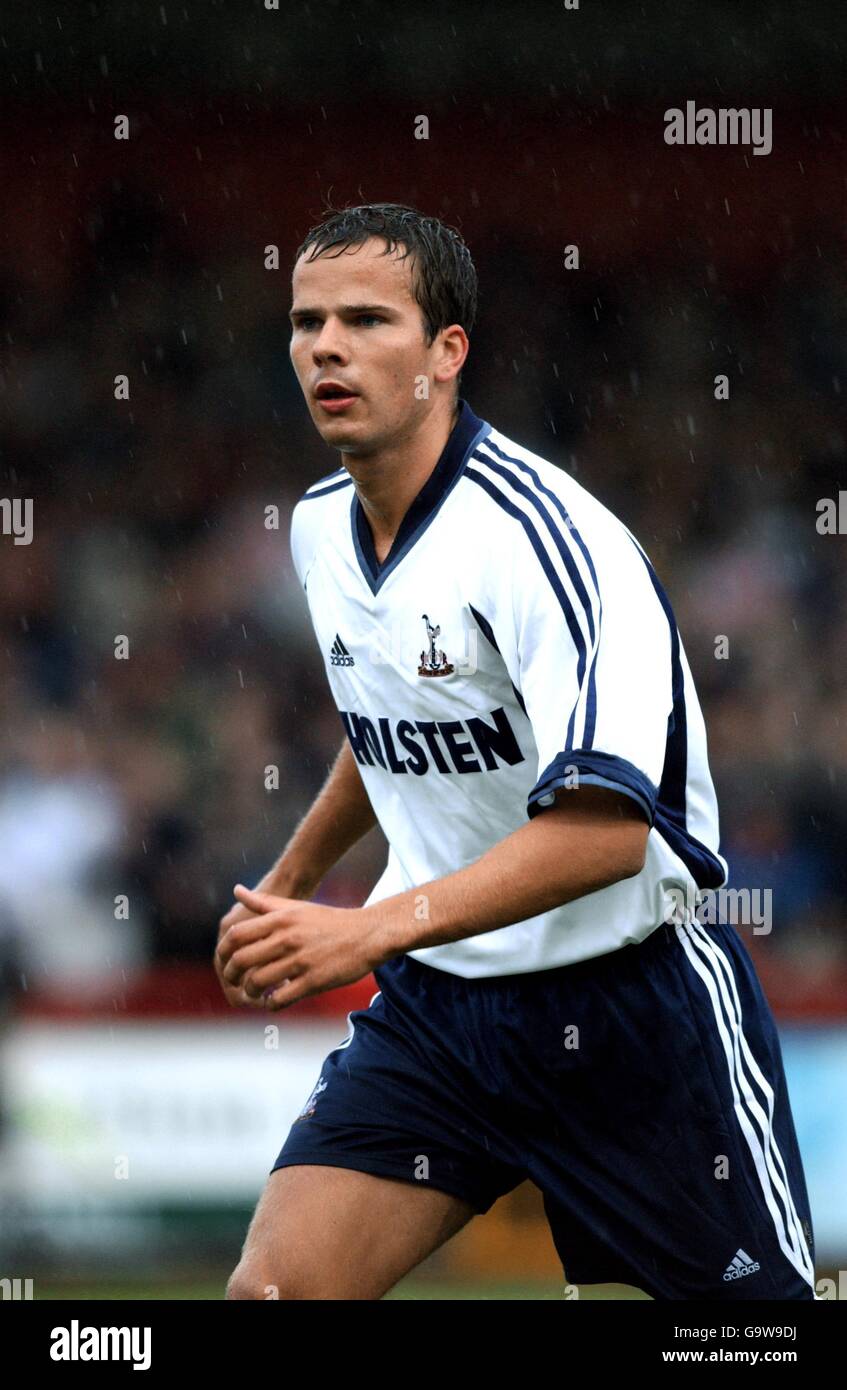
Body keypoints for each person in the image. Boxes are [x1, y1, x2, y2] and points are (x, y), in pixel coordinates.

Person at [216, 203, 816, 1300]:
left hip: (629, 1006)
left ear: (447, 352)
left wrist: (361, 927)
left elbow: (605, 837)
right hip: (439, 1015)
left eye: (364, 318)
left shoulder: (546, 540)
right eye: (306, 322)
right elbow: (388, 723)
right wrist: (289, 884)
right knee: (275, 1294)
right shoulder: (314, 526)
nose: (325, 347)